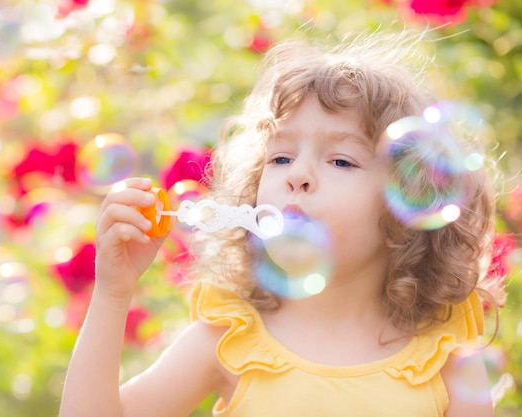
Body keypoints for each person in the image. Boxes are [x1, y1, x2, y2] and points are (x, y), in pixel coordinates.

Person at [59, 29, 499, 417]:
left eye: (342, 160)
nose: (297, 175)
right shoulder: (229, 340)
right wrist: (113, 292)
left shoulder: (445, 359)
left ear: (409, 205)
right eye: (281, 157)